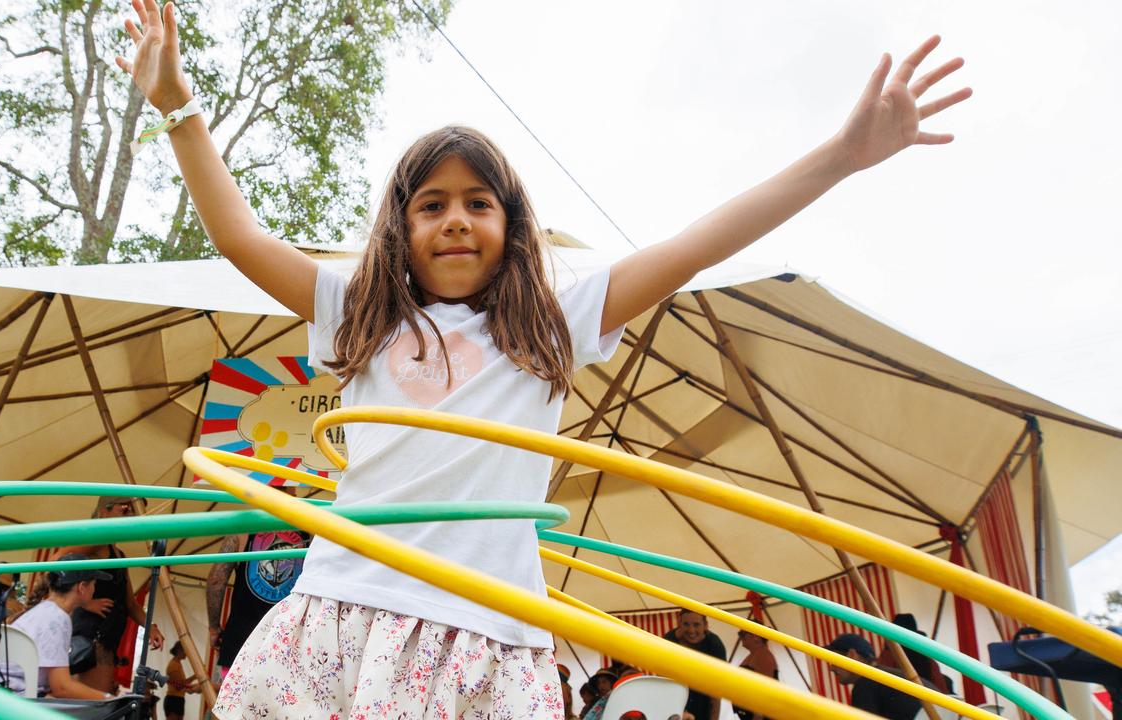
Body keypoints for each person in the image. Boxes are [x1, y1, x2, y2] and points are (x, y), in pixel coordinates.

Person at [114, 2, 969, 715]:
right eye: (432, 204)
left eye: (478, 202)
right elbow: (238, 236)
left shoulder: (547, 328)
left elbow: (695, 246)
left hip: (488, 629)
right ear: (400, 231)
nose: (455, 219)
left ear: (511, 226)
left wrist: (841, 158)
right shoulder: (362, 316)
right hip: (349, 609)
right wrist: (177, 104)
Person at [54, 496, 164, 693]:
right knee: (88, 704)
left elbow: (130, 604)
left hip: (107, 641)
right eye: (124, 509)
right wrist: (84, 602)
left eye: (131, 511)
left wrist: (151, 627)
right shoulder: (95, 540)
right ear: (104, 511)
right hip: (89, 639)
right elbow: (56, 562)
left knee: (93, 704)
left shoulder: (119, 555)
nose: (129, 515)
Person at [205, 498, 310, 682]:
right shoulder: (311, 532)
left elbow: (216, 580)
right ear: (293, 486)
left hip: (240, 643)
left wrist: (214, 628)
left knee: (234, 710)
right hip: (287, 646)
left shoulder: (243, 530)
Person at [0, 554, 116, 700]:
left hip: (4, 690)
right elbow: (61, 688)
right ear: (82, 587)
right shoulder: (57, 619)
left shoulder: (44, 610)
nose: (94, 589)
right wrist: (110, 698)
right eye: (94, 584)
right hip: (15, 699)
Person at [826, 633, 934, 720]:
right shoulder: (891, 676)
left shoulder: (866, 684)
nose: (831, 668)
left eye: (833, 659)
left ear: (852, 655)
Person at [663, 611, 728, 720]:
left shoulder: (714, 645)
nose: (691, 630)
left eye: (696, 625)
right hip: (674, 705)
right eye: (686, 624)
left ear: (705, 625)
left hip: (703, 706)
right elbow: (662, 680)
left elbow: (716, 691)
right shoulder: (669, 641)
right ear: (679, 623)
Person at [733, 628, 778, 720]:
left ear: (756, 637)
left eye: (744, 634)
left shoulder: (763, 655)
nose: (740, 636)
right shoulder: (756, 654)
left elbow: (765, 688)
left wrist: (758, 715)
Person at [163, 641, 198, 720]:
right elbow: (179, 686)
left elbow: (181, 684)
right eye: (185, 650)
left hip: (178, 699)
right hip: (173, 700)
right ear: (179, 650)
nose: (187, 653)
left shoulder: (177, 664)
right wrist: (195, 677)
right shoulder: (173, 665)